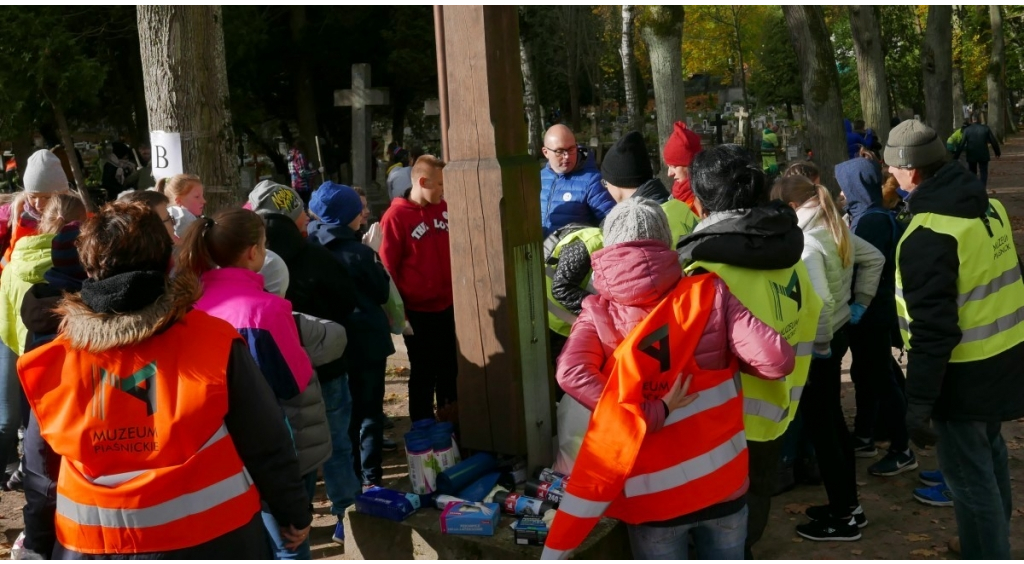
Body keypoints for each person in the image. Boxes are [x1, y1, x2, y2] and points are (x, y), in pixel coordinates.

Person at [16, 201, 311, 558]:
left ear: (89, 267)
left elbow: (41, 477)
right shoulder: (215, 341)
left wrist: (36, 545)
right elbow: (266, 440)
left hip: (93, 547)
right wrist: (292, 513)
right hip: (217, 540)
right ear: (168, 261)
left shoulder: (53, 362)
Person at [544, 198, 795, 560]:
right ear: (666, 241)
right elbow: (777, 360)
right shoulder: (710, 294)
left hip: (651, 499)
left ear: (610, 247)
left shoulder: (600, 314)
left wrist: (645, 412)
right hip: (722, 483)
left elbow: (571, 372)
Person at [886, 119, 1024, 559]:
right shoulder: (987, 208)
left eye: (894, 167)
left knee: (969, 480)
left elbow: (933, 331)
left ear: (910, 171)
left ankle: (987, 552)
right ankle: (991, 543)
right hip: (1002, 362)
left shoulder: (929, 233)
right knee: (990, 459)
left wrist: (919, 403)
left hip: (960, 377)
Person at [677, 144, 822, 557]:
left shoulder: (701, 271)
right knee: (751, 510)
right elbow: (812, 315)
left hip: (718, 427)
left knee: (712, 529)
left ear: (700, 204)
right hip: (776, 414)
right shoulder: (788, 251)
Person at [179, 208, 316, 559]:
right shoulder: (267, 309)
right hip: (265, 440)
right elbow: (294, 380)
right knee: (290, 539)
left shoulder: (187, 305)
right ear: (253, 252)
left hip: (209, 445)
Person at [772, 175, 885, 542]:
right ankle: (849, 505)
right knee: (834, 425)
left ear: (791, 208)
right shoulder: (832, 227)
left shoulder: (806, 243)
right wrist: (861, 303)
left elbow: (820, 302)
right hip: (839, 336)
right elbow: (875, 258)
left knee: (825, 430)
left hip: (821, 347)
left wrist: (818, 347)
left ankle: (842, 517)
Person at [249, 180, 362, 543]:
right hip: (327, 371)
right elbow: (346, 302)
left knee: (292, 456)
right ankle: (348, 515)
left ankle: (293, 523)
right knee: (338, 447)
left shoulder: (247, 264)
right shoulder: (317, 256)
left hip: (274, 379)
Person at [544, 132, 701, 357]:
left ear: (616, 184)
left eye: (605, 183)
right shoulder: (679, 208)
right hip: (688, 316)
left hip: (655, 333)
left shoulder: (636, 226)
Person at [308, 182, 395, 488]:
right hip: (366, 344)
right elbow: (381, 291)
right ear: (349, 216)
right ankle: (371, 478)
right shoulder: (359, 252)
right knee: (369, 412)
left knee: (339, 414)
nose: (365, 213)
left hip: (326, 345)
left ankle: (346, 480)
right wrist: (373, 257)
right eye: (360, 210)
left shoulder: (309, 249)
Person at [835, 158, 914, 476]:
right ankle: (866, 435)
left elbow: (865, 267)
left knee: (881, 377)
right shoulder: (867, 214)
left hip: (872, 312)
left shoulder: (871, 220)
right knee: (867, 373)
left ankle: (902, 447)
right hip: (871, 311)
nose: (839, 190)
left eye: (843, 183)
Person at [378, 156, 458, 423]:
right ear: (422, 182)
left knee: (451, 367)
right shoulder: (395, 217)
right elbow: (388, 270)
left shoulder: (444, 208)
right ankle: (422, 426)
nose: (443, 190)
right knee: (424, 372)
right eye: (439, 184)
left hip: (449, 306)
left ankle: (450, 424)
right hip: (418, 312)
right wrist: (400, 315)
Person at [539, 124, 615, 236]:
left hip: (574, 251)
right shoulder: (539, 178)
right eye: (559, 151)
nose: (567, 156)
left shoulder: (592, 180)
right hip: (539, 250)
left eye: (571, 149)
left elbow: (612, 223)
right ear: (546, 152)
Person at [662, 121, 703, 214]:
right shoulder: (678, 193)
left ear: (691, 165)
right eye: (669, 166)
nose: (669, 174)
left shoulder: (705, 201)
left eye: (674, 166)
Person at [953, 114, 1001, 187]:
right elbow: (993, 141)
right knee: (983, 172)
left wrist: (956, 156)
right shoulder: (985, 128)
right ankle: (983, 187)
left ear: (971, 120)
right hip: (983, 154)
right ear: (979, 119)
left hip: (971, 154)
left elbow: (961, 143)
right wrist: (997, 152)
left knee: (972, 172)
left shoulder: (967, 130)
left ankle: (975, 188)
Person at [156, 173, 206, 240]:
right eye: (197, 197)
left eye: (202, 196)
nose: (204, 201)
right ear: (179, 201)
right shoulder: (183, 217)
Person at [288, 139, 321, 204]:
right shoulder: (299, 156)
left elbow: (294, 172)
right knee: (306, 206)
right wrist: (317, 171)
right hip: (303, 186)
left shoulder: (291, 157)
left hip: (295, 186)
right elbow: (302, 173)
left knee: (301, 207)